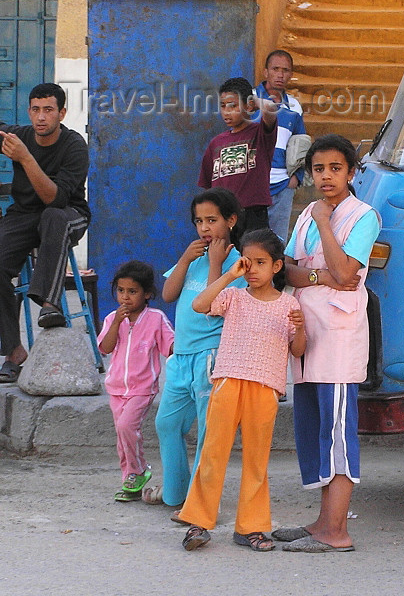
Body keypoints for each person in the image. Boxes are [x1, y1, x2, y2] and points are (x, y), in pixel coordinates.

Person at [272, 134, 380, 553]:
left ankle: (338, 531)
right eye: (319, 169)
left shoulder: (362, 216)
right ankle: (322, 522)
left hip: (337, 338)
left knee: (337, 433)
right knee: (315, 431)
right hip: (306, 333)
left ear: (352, 173)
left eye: (336, 168)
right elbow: (287, 271)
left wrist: (322, 224)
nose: (327, 176)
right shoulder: (305, 215)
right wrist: (322, 276)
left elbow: (346, 268)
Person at [179, 228, 306, 551]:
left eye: (260, 263)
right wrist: (228, 274)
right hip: (227, 381)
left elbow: (298, 350)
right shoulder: (233, 297)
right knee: (213, 453)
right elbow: (199, 304)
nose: (252, 270)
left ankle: (250, 527)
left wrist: (302, 327)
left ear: (277, 266)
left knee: (256, 460)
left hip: (265, 388)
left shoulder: (288, 304)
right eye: (247, 263)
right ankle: (197, 523)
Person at [144, 188, 246, 515]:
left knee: (208, 432)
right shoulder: (193, 257)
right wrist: (186, 260)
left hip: (210, 357)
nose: (204, 228)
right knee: (167, 423)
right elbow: (169, 294)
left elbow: (214, 305)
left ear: (230, 221)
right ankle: (176, 494)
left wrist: (216, 263)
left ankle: (202, 504)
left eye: (212, 220)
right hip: (182, 356)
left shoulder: (236, 264)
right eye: (199, 221)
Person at [0, 83, 89, 383]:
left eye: (48, 110)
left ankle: (49, 304)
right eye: (35, 110)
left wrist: (25, 158)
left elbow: (55, 199)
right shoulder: (20, 135)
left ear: (62, 113)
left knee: (52, 216)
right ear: (29, 111)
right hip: (24, 215)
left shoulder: (75, 146)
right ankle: (13, 351)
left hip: (69, 214)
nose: (41, 117)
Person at [97, 261, 174, 503]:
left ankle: (139, 470)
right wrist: (118, 323)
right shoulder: (112, 319)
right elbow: (106, 348)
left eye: (133, 291)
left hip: (142, 388)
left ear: (147, 293)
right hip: (116, 388)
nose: (125, 297)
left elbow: (170, 347)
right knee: (123, 436)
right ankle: (129, 480)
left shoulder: (156, 319)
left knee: (126, 427)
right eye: (121, 291)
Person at [198, 77, 278, 239]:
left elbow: (270, 107)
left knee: (253, 260)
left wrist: (252, 100)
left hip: (253, 215)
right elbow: (208, 188)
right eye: (222, 106)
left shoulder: (259, 134)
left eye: (233, 105)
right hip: (223, 218)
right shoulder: (216, 143)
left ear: (249, 105)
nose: (226, 111)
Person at [254, 49, 307, 241]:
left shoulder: (294, 107)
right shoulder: (249, 101)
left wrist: (296, 178)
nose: (280, 74)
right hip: (252, 184)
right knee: (249, 241)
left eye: (285, 70)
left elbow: (301, 143)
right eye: (275, 69)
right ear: (266, 71)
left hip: (283, 185)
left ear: (291, 75)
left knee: (277, 243)